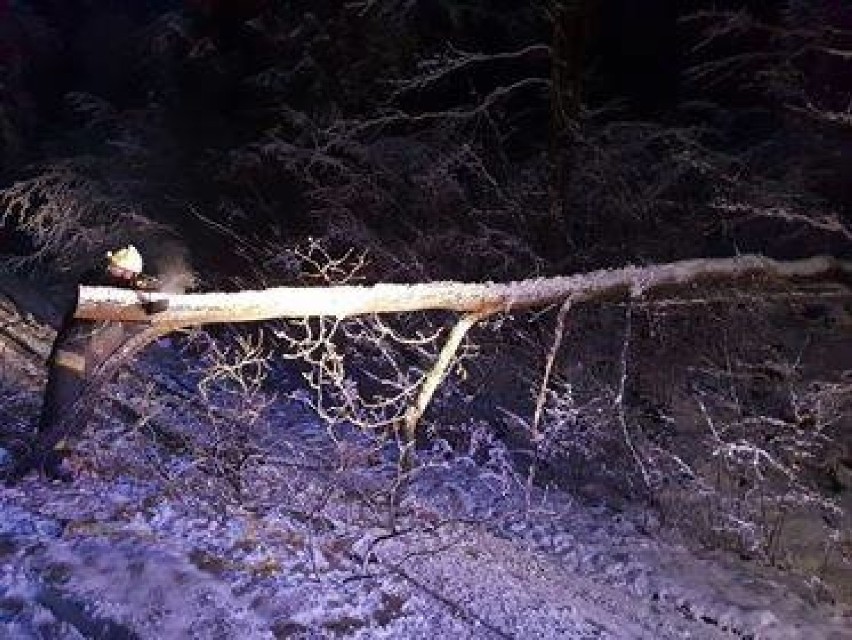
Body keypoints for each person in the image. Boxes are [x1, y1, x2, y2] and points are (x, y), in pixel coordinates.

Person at [9, 245, 168, 482]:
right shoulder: (95, 284)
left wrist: (149, 295)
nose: (117, 272)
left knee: (78, 417)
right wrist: (138, 292)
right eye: (117, 269)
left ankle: (59, 458)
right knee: (59, 412)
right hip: (71, 357)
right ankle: (39, 462)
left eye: (124, 272)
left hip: (94, 364)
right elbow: (108, 292)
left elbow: (146, 314)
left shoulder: (127, 296)